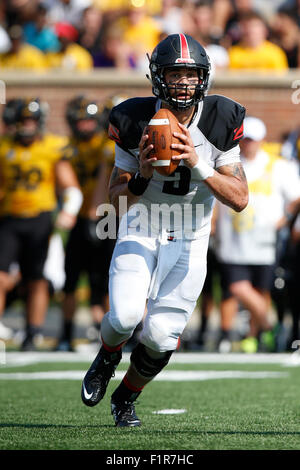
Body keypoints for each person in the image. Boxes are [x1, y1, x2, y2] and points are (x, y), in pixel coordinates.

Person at [81, 33, 248, 427]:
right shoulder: (133, 117)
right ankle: (107, 354)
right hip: (142, 224)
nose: (184, 83)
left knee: (160, 335)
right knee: (123, 317)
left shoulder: (222, 117)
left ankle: (126, 397)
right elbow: (117, 199)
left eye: (191, 74)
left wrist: (198, 163)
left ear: (203, 77)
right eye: (175, 73)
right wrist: (140, 174)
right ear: (158, 77)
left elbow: (239, 198)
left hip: (192, 233)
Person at [0, 97, 83, 350]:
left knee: (37, 279)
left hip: (40, 219)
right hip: (9, 219)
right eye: (23, 120)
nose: (27, 126)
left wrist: (68, 210)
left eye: (31, 120)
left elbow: (70, 187)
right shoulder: (4, 147)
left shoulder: (52, 147)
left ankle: (32, 332)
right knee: (1, 277)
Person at [214, 116, 300, 352]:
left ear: (261, 140)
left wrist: (283, 220)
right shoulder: (228, 164)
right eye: (245, 139)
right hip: (233, 239)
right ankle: (270, 326)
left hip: (264, 241)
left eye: (252, 140)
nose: (248, 144)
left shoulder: (277, 165)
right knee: (236, 287)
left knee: (261, 290)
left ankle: (255, 336)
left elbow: (295, 198)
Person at [55, 96, 114, 351]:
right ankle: (67, 334)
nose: (85, 126)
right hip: (80, 218)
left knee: (107, 279)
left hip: (109, 217)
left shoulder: (108, 145)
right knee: (72, 279)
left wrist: (96, 213)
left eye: (90, 121)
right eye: (81, 121)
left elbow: (106, 175)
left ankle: (115, 336)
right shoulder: (66, 148)